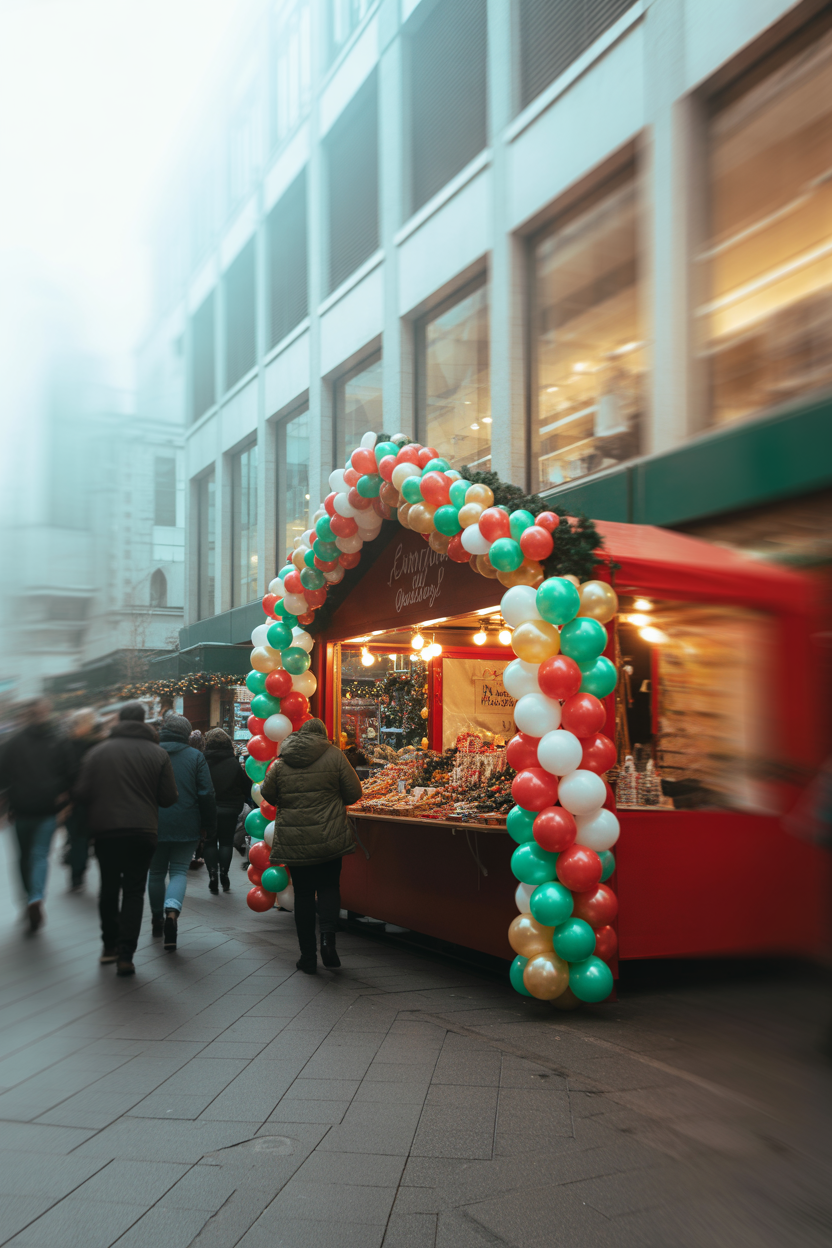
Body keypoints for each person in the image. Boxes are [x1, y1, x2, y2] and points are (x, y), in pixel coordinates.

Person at [74, 702, 178, 974]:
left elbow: (82, 793)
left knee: (109, 887)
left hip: (107, 830)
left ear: (119, 720)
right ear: (144, 721)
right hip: (143, 831)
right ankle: (125, 955)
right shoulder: (158, 754)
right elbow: (169, 798)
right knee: (134, 891)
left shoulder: (97, 753)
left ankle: (109, 946)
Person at [260, 718, 362, 974]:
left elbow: (268, 793)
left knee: (303, 894)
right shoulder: (335, 755)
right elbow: (354, 793)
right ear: (324, 736)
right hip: (330, 838)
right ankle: (328, 940)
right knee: (329, 887)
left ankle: (307, 957)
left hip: (296, 841)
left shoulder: (282, 761)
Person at [0, 697, 75, 932]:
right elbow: (71, 772)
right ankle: (36, 897)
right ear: (47, 714)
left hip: (20, 811)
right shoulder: (59, 740)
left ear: (25, 715)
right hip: (47, 810)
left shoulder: (11, 744)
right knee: (40, 855)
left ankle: (26, 899)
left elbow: (2, 778)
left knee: (22, 857)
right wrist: (64, 797)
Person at [148, 714, 216, 951]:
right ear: (186, 734)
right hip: (187, 822)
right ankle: (172, 913)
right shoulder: (196, 757)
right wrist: (207, 825)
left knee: (155, 872)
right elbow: (206, 793)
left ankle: (157, 918)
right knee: (178, 871)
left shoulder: (150, 753)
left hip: (152, 823)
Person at [203, 728, 250, 894]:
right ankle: (224, 873)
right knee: (226, 842)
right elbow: (246, 787)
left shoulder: (202, 761)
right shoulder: (233, 763)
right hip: (230, 810)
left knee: (209, 842)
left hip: (208, 809)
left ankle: (213, 876)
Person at [63, 707, 104, 892]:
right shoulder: (100, 744)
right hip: (89, 802)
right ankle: (78, 876)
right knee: (82, 841)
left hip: (82, 801)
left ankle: (77, 877)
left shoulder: (68, 745)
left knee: (79, 840)